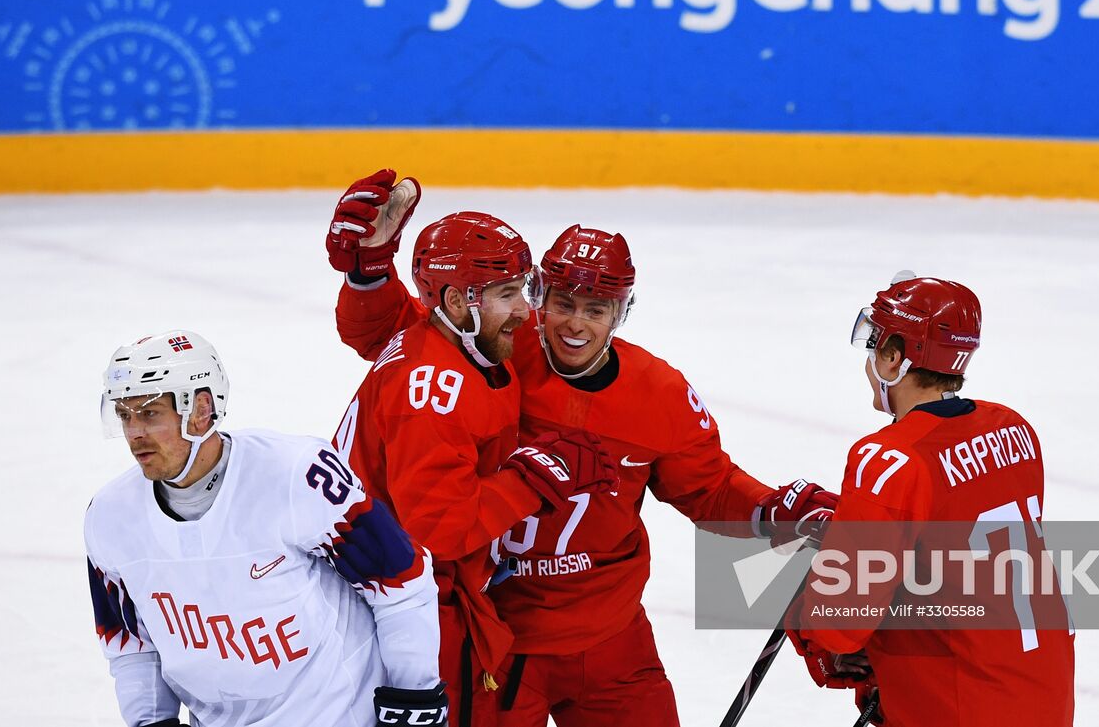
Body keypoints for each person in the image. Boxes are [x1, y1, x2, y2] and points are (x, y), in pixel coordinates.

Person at [325, 170, 838, 727]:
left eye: (595, 310)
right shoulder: (497, 345)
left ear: (620, 313)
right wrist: (369, 274)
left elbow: (709, 488)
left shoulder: (659, 393)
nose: (574, 324)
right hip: (500, 633)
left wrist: (773, 511)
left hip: (608, 633)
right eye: (563, 302)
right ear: (541, 295)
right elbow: (400, 336)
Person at [326, 178, 622, 727]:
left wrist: (367, 273)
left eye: (523, 291)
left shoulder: (446, 335)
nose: (525, 312)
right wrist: (532, 479)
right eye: (508, 295)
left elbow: (380, 327)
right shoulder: (434, 392)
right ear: (459, 301)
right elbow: (440, 527)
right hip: (405, 613)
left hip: (403, 593)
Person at [85, 330, 447, 727]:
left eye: (149, 413)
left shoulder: (296, 474)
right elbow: (131, 645)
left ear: (201, 409)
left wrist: (414, 697)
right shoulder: (110, 517)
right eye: (124, 415)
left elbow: (400, 581)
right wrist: (152, 721)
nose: (134, 433)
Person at [786, 274, 1076, 726]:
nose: (870, 359)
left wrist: (805, 599)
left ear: (895, 358)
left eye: (876, 345)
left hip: (964, 710)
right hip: (1043, 699)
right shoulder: (1014, 429)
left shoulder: (888, 458)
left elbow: (838, 625)